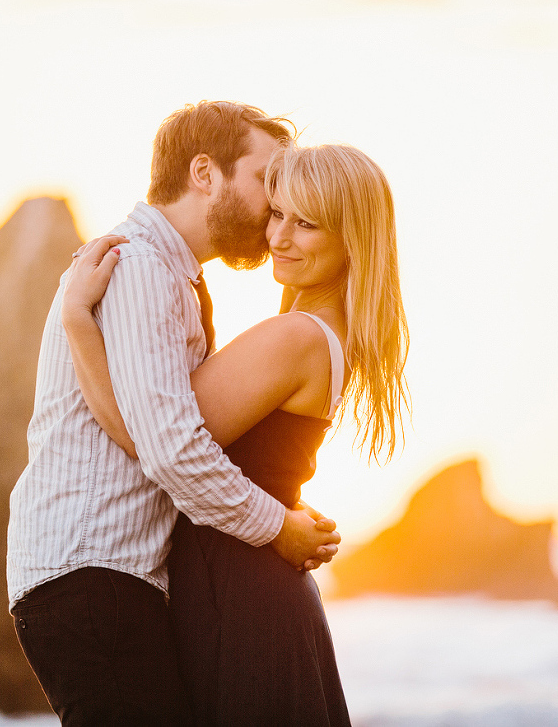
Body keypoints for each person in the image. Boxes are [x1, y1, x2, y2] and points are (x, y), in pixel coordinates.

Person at [6, 101, 344, 726]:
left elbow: (151, 436)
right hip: (94, 574)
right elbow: (169, 447)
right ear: (205, 173)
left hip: (110, 575)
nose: (275, 206)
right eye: (266, 180)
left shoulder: (171, 278)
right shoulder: (138, 268)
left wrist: (79, 324)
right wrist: (279, 526)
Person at [63, 142, 410, 725]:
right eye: (277, 213)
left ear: (351, 239)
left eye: (307, 224)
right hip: (246, 584)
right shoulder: (326, 334)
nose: (278, 237)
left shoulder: (295, 336)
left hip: (242, 592)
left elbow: (150, 439)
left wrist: (78, 324)